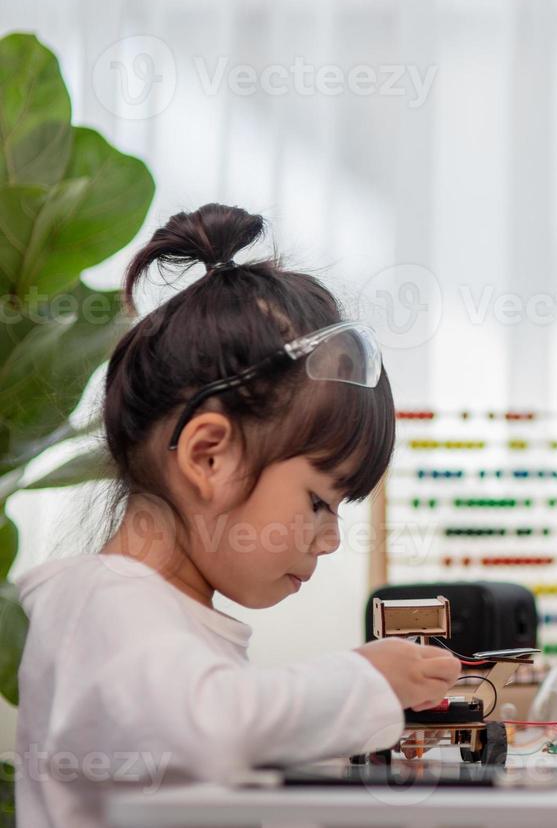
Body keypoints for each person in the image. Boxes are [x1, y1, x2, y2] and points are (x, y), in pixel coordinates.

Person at [15, 204, 461, 827]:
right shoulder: (103, 603)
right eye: (318, 502)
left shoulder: (160, 615)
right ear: (209, 456)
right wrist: (366, 680)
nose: (330, 540)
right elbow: (212, 729)